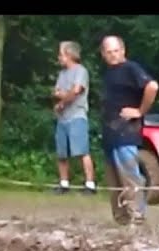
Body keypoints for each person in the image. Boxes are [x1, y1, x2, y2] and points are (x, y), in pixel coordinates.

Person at [98, 35, 159, 225]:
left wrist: (140, 111)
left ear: (123, 50)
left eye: (116, 51)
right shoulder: (109, 73)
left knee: (130, 175)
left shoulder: (131, 68)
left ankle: (137, 216)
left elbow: (152, 86)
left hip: (126, 132)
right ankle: (122, 219)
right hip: (110, 132)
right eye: (109, 52)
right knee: (114, 179)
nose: (113, 55)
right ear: (103, 54)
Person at [52, 40, 97, 194]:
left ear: (69, 55)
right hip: (62, 118)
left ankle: (90, 184)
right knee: (61, 153)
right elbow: (56, 92)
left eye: (61, 54)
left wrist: (62, 102)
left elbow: (77, 90)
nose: (58, 57)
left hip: (77, 116)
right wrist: (66, 96)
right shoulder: (62, 73)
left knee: (82, 151)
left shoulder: (81, 71)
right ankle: (64, 184)